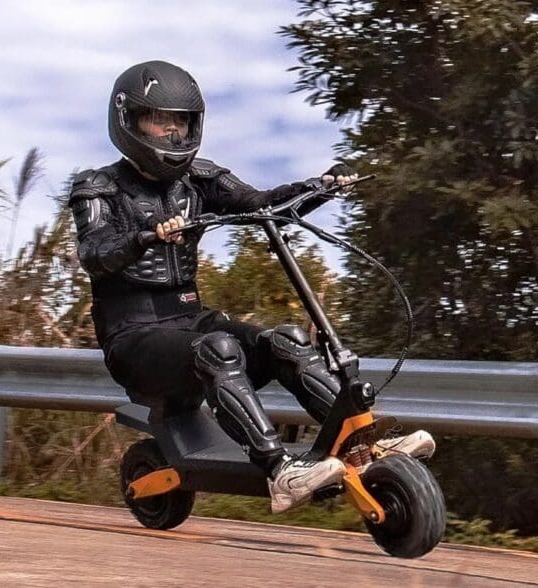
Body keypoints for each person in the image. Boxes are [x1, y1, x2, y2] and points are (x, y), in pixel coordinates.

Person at [69, 61, 435, 513]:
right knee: (218, 348)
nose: (173, 134)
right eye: (160, 121)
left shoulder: (200, 179)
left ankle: (362, 443)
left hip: (189, 322)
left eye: (181, 123)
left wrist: (319, 186)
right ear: (129, 120)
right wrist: (144, 236)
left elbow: (260, 203)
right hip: (133, 336)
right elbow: (94, 252)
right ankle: (281, 470)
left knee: (288, 340)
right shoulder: (98, 186)